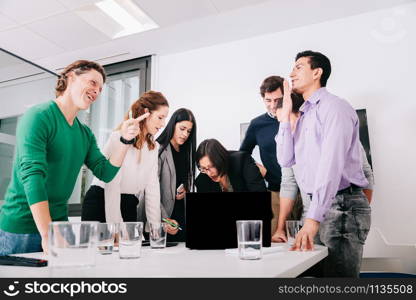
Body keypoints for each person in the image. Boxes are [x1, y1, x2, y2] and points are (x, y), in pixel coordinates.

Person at [0, 60, 143, 255]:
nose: (97, 91)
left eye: (100, 88)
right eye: (92, 82)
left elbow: (106, 172)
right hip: (21, 229)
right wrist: (46, 233)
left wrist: (125, 140)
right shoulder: (39, 116)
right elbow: (33, 175)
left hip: (58, 229)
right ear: (71, 77)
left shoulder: (84, 134)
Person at [276, 50, 371, 277]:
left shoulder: (335, 107)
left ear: (317, 72)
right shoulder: (306, 115)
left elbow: (331, 166)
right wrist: (285, 115)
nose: (291, 73)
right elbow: (285, 159)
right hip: (319, 207)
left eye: (298, 67)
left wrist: (312, 219)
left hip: (342, 207)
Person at [272, 94, 374, 244]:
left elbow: (366, 175)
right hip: (308, 218)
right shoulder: (285, 144)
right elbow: (288, 183)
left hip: (340, 213)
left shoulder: (334, 130)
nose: (285, 127)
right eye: (281, 121)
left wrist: (355, 213)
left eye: (288, 120)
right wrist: (280, 228)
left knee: (338, 267)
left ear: (302, 116)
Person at [82, 91, 169, 226]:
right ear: (146, 113)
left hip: (129, 202)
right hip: (101, 200)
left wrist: (155, 229)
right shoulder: (119, 138)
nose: (163, 124)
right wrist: (116, 227)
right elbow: (112, 185)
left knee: (131, 245)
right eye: (160, 117)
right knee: (105, 245)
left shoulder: (153, 147)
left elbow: (152, 189)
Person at [240, 75, 303, 236]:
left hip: (305, 191)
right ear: (263, 99)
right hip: (276, 193)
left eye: (278, 100)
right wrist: (258, 170)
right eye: (268, 100)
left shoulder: (299, 117)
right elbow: (242, 155)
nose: (273, 105)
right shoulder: (257, 124)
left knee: (310, 244)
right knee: (276, 240)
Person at [156, 108, 197, 241]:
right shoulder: (159, 149)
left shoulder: (186, 152)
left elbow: (182, 180)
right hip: (162, 216)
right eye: (182, 128)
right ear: (172, 125)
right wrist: (164, 219)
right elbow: (150, 191)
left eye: (189, 131)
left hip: (180, 216)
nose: (185, 134)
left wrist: (185, 189)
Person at [195, 139, 266, 192]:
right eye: (203, 168)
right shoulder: (201, 180)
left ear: (221, 159)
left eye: (212, 166)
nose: (209, 173)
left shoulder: (242, 161)